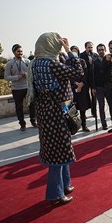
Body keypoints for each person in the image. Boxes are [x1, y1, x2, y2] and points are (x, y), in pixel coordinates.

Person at [27, 32, 84, 205]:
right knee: (58, 153)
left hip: (45, 112)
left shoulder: (34, 63)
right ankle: (54, 194)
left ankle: (65, 184)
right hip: (57, 113)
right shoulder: (52, 64)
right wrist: (69, 50)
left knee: (58, 149)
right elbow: (78, 72)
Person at [4, 44, 37, 131]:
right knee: (19, 107)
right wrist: (16, 77)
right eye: (18, 51)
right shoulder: (9, 64)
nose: (20, 53)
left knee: (32, 105)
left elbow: (32, 74)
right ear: (14, 52)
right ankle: (22, 123)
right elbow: (6, 77)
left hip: (27, 87)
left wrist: (25, 75)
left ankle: (33, 121)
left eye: (21, 51)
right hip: (16, 88)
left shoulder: (27, 62)